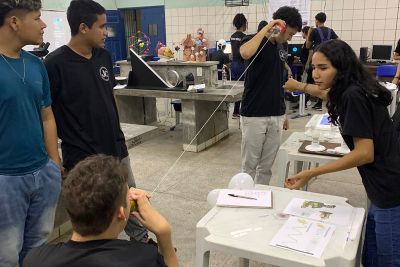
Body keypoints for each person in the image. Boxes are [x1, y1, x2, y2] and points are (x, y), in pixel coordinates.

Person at [283, 39, 400, 267]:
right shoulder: (352, 89)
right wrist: (298, 85)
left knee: (388, 260)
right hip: (380, 187)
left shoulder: (352, 96)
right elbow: (325, 93)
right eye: (314, 68)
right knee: (371, 257)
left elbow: (364, 153)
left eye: (323, 68)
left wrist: (311, 173)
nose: (316, 74)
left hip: (391, 190)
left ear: (342, 68)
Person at [44, 0, 147, 242]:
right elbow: (46, 113)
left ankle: (141, 240)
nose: (106, 32)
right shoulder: (55, 64)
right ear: (83, 27)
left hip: (115, 146)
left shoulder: (103, 56)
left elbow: (109, 95)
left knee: (128, 198)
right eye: (101, 27)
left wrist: (118, 133)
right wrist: (54, 157)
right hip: (83, 155)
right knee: (96, 211)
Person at [23, 154, 179, 267]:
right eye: (127, 195)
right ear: (121, 213)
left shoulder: (36, 259)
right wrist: (163, 233)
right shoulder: (143, 258)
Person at [0, 0, 62, 266]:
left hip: (43, 174)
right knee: (6, 254)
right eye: (37, 18)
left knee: (37, 249)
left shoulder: (36, 65)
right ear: (14, 22)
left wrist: (54, 163)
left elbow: (46, 116)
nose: (43, 24)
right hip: (6, 179)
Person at [239, 6, 301, 185]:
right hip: (254, 114)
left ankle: (260, 197)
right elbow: (245, 53)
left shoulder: (282, 46)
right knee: (249, 166)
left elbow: (277, 80)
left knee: (266, 168)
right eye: (289, 33)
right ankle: (245, 199)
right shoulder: (254, 40)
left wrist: (283, 112)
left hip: (276, 114)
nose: (290, 38)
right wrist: (268, 27)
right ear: (280, 26)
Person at [306, 12, 338, 111]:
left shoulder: (314, 31)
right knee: (325, 81)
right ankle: (319, 104)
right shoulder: (330, 31)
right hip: (328, 60)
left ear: (316, 20)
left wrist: (309, 33)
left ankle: (305, 102)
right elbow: (339, 41)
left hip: (317, 59)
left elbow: (308, 46)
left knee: (310, 80)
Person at [230, 13, 247, 118]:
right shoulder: (244, 37)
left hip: (234, 64)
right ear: (243, 23)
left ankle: (236, 111)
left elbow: (232, 53)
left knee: (236, 88)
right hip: (241, 64)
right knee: (243, 88)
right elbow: (245, 53)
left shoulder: (232, 37)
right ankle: (242, 110)